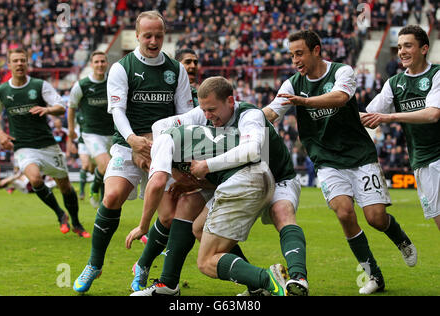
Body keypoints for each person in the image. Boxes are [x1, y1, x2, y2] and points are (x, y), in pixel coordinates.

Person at [262, 30, 416, 295]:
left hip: (359, 155)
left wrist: (306, 101)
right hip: (326, 160)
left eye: (299, 53)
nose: (295, 60)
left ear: (317, 50)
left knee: (376, 218)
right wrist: (245, 120)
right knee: (344, 212)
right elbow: (272, 112)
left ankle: (400, 238)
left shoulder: (342, 72)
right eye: (291, 55)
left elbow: (340, 98)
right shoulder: (291, 84)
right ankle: (374, 276)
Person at [130, 76, 308, 296]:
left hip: (274, 176)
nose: (207, 116)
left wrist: (204, 165)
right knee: (192, 216)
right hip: (233, 177)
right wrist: (174, 163)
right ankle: (170, 284)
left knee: (281, 214)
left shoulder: (249, 115)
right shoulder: (202, 114)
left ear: (231, 102)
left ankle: (297, 278)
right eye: (204, 110)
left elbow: (251, 151)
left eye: (212, 109)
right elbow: (160, 125)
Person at [73, 10, 194, 293]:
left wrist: (160, 140)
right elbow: (117, 110)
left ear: (165, 36)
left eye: (159, 35)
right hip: (127, 144)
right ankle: (94, 263)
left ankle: (142, 266)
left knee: (167, 216)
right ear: (137, 36)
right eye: (147, 35)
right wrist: (133, 140)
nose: (153, 41)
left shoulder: (177, 70)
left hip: (164, 147)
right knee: (113, 195)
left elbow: (186, 114)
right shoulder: (121, 67)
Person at [127, 125, 288, 296]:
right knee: (193, 216)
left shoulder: (162, 142)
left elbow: (157, 183)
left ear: (148, 148)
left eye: (145, 165)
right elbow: (219, 171)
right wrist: (196, 183)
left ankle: (267, 279)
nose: (148, 169)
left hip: (247, 180)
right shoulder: (188, 141)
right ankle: (255, 287)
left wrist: (143, 227)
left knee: (206, 261)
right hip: (254, 175)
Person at [128, 47, 211, 293]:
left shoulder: (205, 95)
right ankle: (144, 266)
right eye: (187, 61)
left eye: (196, 61)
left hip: (199, 164)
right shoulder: (168, 95)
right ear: (176, 67)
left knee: (187, 220)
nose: (193, 66)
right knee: (167, 217)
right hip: (172, 162)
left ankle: (164, 276)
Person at [0, 48, 89, 238]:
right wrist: (1, 133)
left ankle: (76, 223)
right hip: (23, 146)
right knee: (35, 179)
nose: (19, 64)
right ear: (9, 65)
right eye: (16, 61)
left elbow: (61, 107)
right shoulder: (2, 91)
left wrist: (47, 110)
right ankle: (60, 214)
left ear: (27, 64)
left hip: (47, 144)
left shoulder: (39, 85)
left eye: (23, 60)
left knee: (65, 186)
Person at [361, 25, 440, 230]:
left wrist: (389, 116)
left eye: (408, 46)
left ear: (424, 49)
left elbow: (433, 114)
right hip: (422, 161)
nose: (402, 52)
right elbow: (369, 115)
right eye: (399, 47)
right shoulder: (395, 83)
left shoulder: (437, 75)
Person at [68, 51, 114, 208]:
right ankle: (95, 189)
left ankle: (97, 190)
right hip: (92, 134)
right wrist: (71, 129)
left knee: (106, 168)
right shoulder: (82, 85)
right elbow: (72, 107)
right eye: (97, 62)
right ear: (91, 65)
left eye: (103, 61)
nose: (100, 65)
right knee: (106, 165)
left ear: (107, 63)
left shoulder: (113, 83)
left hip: (112, 133)